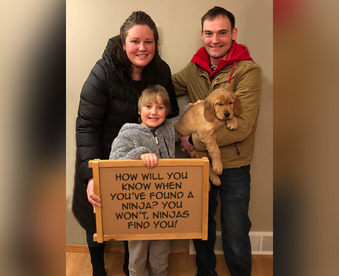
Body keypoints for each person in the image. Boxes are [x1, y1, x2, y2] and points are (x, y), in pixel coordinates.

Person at [72, 11, 179, 276]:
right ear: (123, 43)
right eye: (135, 41)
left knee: (133, 213)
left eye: (149, 41)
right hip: (102, 158)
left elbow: (172, 113)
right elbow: (87, 126)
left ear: (156, 43)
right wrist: (91, 175)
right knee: (95, 218)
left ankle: (128, 266)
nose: (142, 47)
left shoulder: (161, 71)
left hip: (145, 163)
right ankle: (98, 268)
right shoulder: (102, 72)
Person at [172, 6, 261, 276]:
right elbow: (164, 87)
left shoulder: (248, 71)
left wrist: (193, 141)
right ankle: (205, 272)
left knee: (235, 231)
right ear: (202, 34)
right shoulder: (194, 68)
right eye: (209, 33)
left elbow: (242, 127)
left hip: (235, 163)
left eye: (222, 33)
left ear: (233, 33)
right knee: (201, 226)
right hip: (200, 166)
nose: (215, 39)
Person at [109, 85, 191, 276]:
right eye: (148, 106)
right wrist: (140, 154)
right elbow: (114, 163)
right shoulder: (129, 133)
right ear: (139, 111)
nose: (154, 112)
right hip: (137, 208)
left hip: (164, 206)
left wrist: (193, 108)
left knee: (161, 252)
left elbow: (185, 120)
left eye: (160, 107)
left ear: (166, 112)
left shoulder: (169, 128)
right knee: (137, 255)